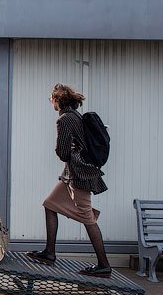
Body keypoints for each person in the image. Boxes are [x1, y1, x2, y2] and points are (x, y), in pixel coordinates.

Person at [27, 84, 111, 278]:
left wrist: (60, 146)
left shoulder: (65, 120)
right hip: (72, 173)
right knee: (50, 204)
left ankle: (104, 265)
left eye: (51, 99)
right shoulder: (75, 116)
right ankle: (49, 252)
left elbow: (63, 153)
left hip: (79, 175)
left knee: (87, 218)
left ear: (58, 100)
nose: (51, 102)